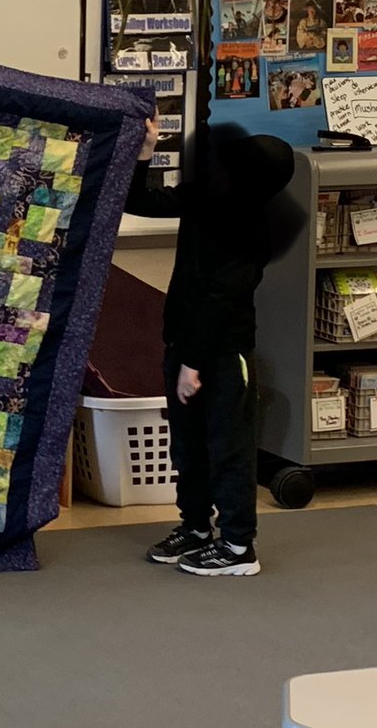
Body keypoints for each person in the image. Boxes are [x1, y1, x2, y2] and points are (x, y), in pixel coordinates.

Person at [125, 118, 294, 576]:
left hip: (221, 352)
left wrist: (193, 364)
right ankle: (196, 528)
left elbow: (221, 301)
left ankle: (239, 546)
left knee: (228, 448)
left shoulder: (254, 230)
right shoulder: (206, 199)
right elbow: (139, 199)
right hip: (184, 341)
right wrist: (144, 151)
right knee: (188, 446)